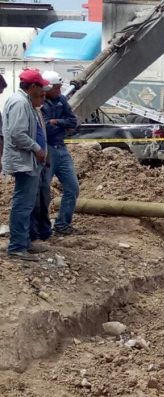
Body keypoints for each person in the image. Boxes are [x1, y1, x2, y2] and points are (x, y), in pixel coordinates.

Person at [2, 69, 50, 261]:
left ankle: (24, 242)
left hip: (29, 161)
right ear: (33, 86)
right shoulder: (20, 102)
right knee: (22, 205)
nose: (42, 91)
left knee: (27, 204)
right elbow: (17, 134)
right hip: (24, 161)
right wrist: (37, 149)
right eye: (41, 87)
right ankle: (16, 247)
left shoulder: (25, 102)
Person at [37, 71, 81, 236]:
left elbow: (72, 121)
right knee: (43, 190)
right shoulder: (40, 103)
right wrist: (60, 124)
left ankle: (62, 224)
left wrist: (57, 122)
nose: (60, 90)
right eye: (57, 87)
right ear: (48, 88)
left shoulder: (61, 100)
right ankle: (42, 227)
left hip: (61, 148)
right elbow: (45, 127)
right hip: (47, 149)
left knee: (72, 188)